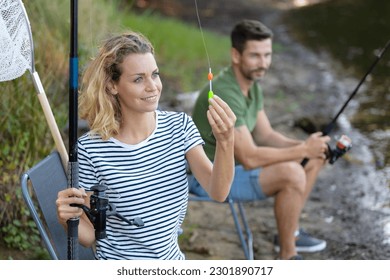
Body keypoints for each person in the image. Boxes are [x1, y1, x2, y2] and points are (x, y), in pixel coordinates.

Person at [56, 31, 236, 260]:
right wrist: (66, 218)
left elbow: (218, 191)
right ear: (112, 85)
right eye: (138, 79)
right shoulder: (91, 150)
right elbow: (90, 235)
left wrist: (226, 141)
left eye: (155, 74)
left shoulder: (179, 127)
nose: (153, 86)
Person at [189, 19, 331, 260]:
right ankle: (288, 255)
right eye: (255, 56)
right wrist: (302, 149)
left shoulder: (251, 86)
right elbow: (251, 157)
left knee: (315, 158)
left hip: (236, 169)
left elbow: (266, 135)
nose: (263, 63)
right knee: (293, 173)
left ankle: (291, 230)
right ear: (236, 55)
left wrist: (309, 148)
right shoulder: (226, 91)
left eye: (267, 55)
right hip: (211, 178)